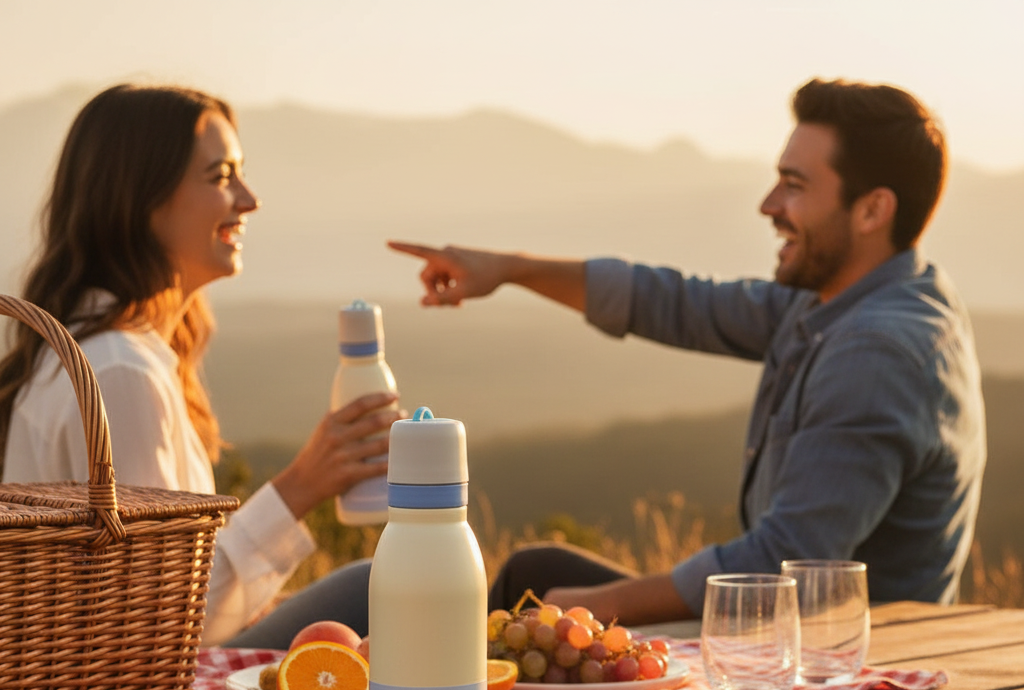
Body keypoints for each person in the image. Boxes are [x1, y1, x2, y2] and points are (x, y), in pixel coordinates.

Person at [390, 78, 986, 623]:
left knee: (540, 595)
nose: (769, 205)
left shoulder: (876, 353)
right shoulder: (849, 300)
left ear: (873, 210)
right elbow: (676, 303)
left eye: (795, 185)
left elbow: (784, 562)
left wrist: (599, 607)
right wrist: (509, 269)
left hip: (835, 660)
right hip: (787, 635)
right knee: (536, 573)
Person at [0, 84, 398, 650]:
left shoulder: (101, 353)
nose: (249, 199)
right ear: (140, 198)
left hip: (95, 665)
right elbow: (157, 623)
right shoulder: (119, 373)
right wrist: (301, 486)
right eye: (220, 176)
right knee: (375, 585)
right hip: (131, 684)